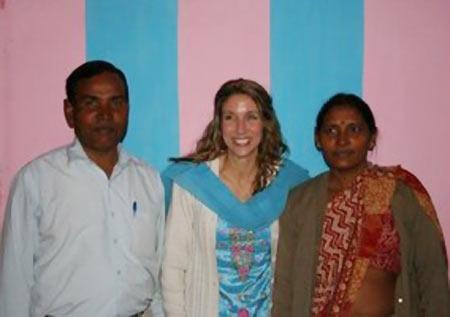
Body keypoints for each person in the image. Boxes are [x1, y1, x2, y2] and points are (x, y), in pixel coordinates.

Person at [0, 60, 165, 317]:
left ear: (127, 109)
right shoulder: (36, 180)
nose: (105, 114)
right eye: (91, 103)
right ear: (69, 111)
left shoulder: (149, 179)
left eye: (115, 102)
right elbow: (14, 280)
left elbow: (158, 272)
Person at [272, 93, 450, 316]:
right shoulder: (300, 200)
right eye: (331, 130)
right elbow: (285, 284)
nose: (342, 140)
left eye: (354, 129)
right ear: (318, 139)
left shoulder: (401, 194)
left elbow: (432, 273)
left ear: (372, 138)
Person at [161, 78, 309, 317]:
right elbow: (172, 267)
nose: (241, 129)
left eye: (251, 116)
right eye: (230, 117)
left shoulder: (289, 185)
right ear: (220, 124)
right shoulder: (193, 184)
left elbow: (295, 270)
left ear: (265, 123)